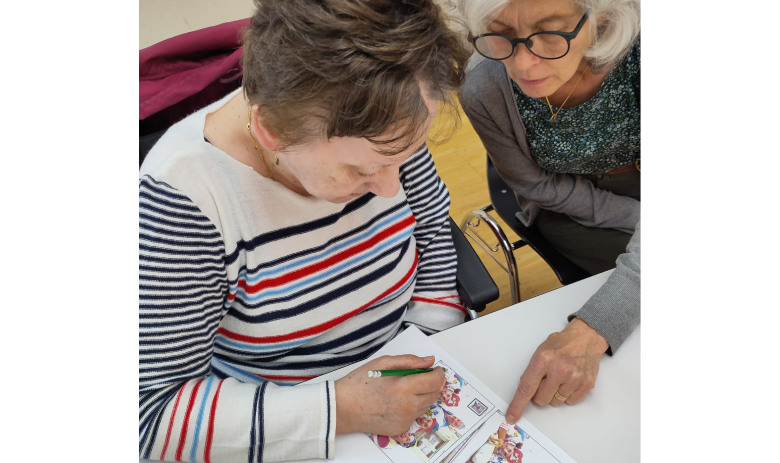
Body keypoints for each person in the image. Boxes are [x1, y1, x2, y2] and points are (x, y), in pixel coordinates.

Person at [138, 1, 472, 462]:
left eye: (404, 157)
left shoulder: (385, 127)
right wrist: (344, 407)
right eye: (362, 171)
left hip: (409, 376)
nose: (392, 188)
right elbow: (148, 418)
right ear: (271, 133)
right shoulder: (182, 204)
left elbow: (433, 230)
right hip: (283, 419)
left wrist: (433, 337)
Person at [454, 0, 640, 423]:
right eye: (500, 33)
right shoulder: (483, 88)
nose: (522, 63)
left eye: (551, 33)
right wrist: (638, 218)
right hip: (571, 205)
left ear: (602, 20)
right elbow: (535, 185)